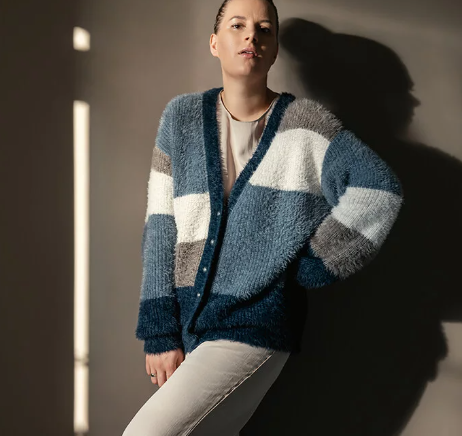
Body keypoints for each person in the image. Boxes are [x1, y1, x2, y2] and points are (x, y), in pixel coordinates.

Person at [122, 0, 404, 435]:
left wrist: (314, 262)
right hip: (190, 322)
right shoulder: (181, 119)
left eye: (264, 29)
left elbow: (378, 190)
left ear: (273, 50)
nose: (251, 35)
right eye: (237, 25)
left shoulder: (306, 125)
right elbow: (160, 227)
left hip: (255, 321)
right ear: (214, 42)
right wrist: (160, 331)